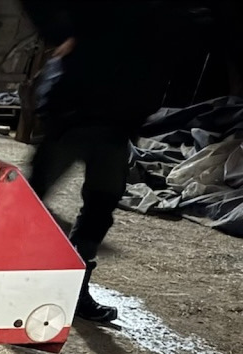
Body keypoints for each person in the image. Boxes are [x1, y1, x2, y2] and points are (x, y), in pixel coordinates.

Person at [21, 1, 172, 325]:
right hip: (75, 109)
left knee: (101, 207)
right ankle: (10, 280)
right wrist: (59, 33)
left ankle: (74, 290)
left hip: (119, 122)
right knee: (28, 200)